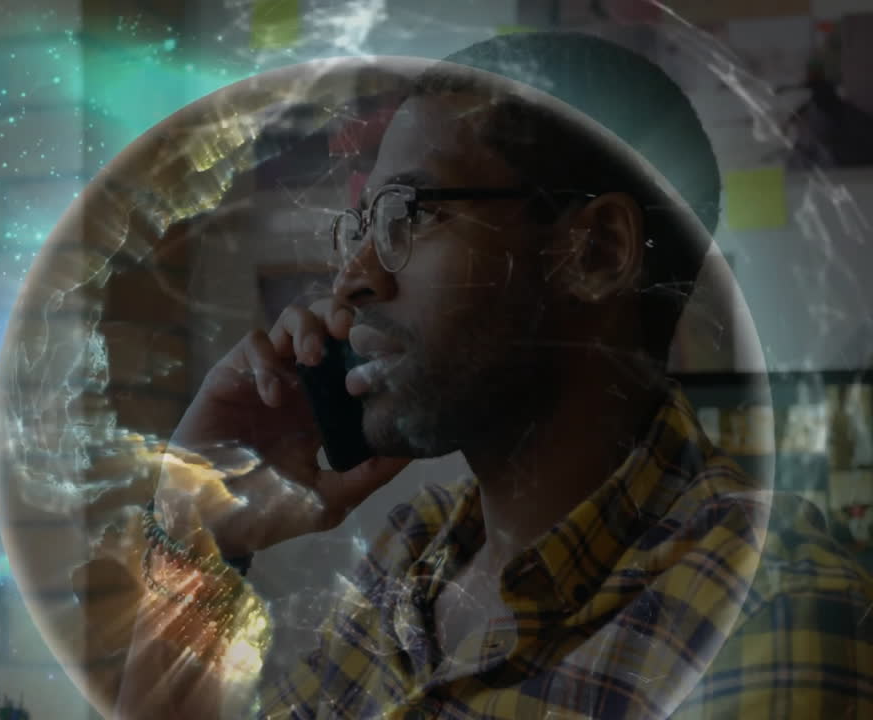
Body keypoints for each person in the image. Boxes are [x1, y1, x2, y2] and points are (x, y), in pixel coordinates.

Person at [114, 31, 873, 719]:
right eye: (362, 227)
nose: (352, 279)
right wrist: (198, 531)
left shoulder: (765, 617)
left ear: (599, 252)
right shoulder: (414, 560)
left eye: (410, 215)